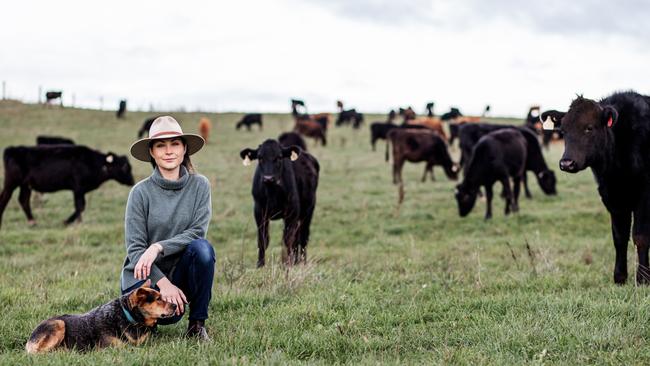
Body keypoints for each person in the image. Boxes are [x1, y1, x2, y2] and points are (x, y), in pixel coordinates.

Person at [120, 115, 214, 340]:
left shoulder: (200, 185)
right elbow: (135, 251)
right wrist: (164, 284)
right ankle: (145, 323)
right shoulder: (140, 193)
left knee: (203, 249)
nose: (169, 151)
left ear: (184, 149)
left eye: (175, 144)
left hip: (182, 273)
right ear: (152, 152)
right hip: (147, 279)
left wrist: (158, 247)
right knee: (143, 324)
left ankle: (197, 326)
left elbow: (197, 232)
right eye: (161, 146)